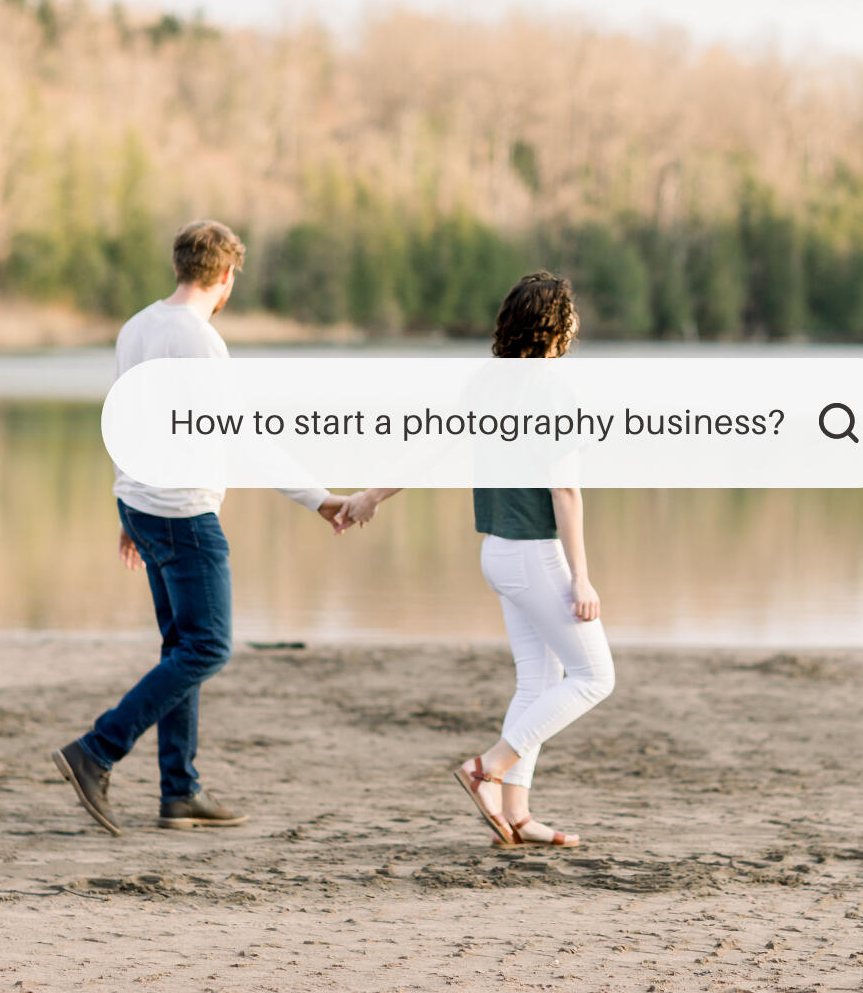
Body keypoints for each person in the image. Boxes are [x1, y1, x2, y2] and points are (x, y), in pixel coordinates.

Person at [52, 220, 350, 835]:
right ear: (226, 275)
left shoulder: (136, 327)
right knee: (208, 647)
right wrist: (317, 498)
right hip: (184, 515)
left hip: (145, 506)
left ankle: (180, 792)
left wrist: (123, 505)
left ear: (180, 265)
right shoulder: (201, 342)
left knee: (181, 647)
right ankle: (97, 750)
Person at [339, 271, 615, 847]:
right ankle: (485, 769)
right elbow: (566, 492)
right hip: (535, 557)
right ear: (558, 328)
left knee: (539, 680)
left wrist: (370, 495)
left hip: (498, 554)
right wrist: (582, 576)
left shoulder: (488, 382)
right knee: (595, 677)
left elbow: (431, 447)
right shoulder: (556, 390)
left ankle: (517, 814)